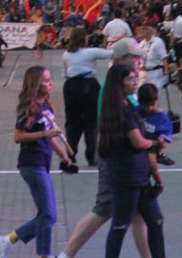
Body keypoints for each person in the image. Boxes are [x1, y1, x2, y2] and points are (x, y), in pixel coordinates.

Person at [59, 38, 152, 258]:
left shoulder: (126, 87)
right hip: (116, 158)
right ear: (120, 60)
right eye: (134, 57)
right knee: (104, 208)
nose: (139, 61)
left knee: (139, 212)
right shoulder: (114, 91)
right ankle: (65, 255)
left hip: (128, 158)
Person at [0, 65, 75, 258]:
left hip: (42, 163)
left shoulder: (46, 104)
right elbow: (18, 136)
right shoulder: (30, 108)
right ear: (36, 84)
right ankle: (43, 255)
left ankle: (7, 240)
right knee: (48, 215)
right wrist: (45, 133)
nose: (51, 83)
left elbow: (50, 138)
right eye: (46, 80)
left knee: (47, 215)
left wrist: (64, 157)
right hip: (31, 164)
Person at [99, 63, 163, 258]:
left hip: (138, 176)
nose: (135, 82)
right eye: (131, 79)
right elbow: (137, 141)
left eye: (136, 78)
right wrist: (154, 143)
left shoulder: (128, 106)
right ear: (119, 83)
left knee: (155, 220)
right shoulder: (122, 111)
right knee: (120, 225)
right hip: (127, 177)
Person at [61, 28, 113, 167]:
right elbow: (111, 54)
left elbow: (65, 73)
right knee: (91, 122)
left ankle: (70, 154)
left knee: (72, 122)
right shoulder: (91, 52)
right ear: (84, 39)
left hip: (71, 87)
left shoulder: (66, 54)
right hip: (89, 86)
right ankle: (91, 156)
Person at [136, 25, 167, 89]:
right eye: (142, 29)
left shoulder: (158, 42)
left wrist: (166, 70)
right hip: (143, 72)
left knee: (154, 94)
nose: (142, 31)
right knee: (141, 94)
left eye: (145, 29)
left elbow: (164, 57)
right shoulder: (141, 43)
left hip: (154, 71)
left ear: (150, 30)